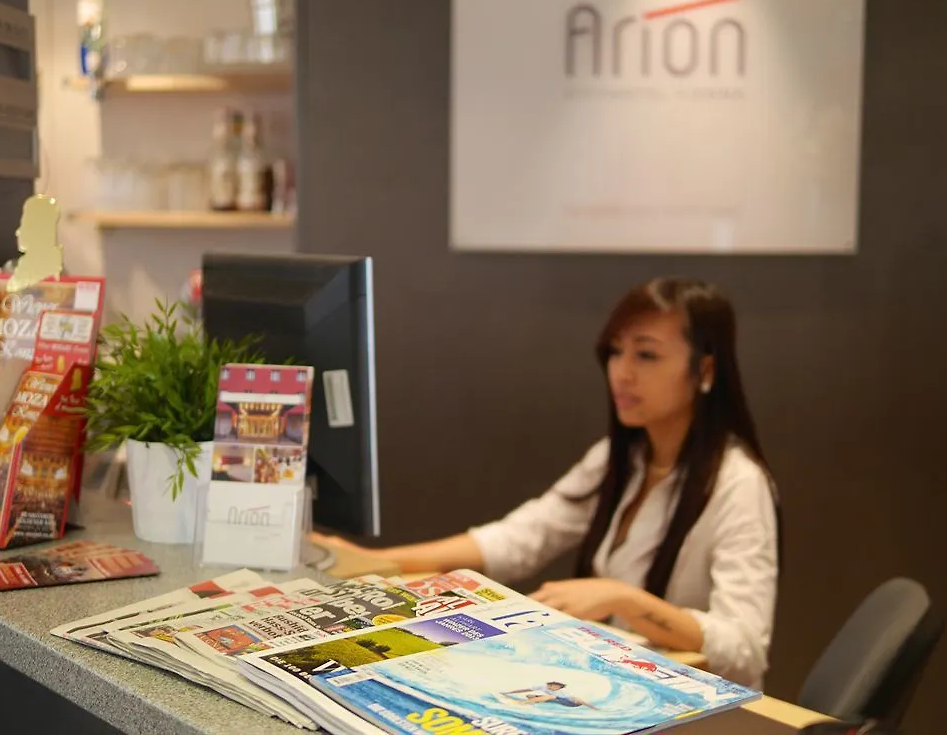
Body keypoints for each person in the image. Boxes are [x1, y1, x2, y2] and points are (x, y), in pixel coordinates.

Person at [319, 277, 780, 688]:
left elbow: (744, 647)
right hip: (619, 680)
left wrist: (624, 598)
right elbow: (520, 538)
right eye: (615, 351)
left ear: (705, 371)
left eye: (646, 354)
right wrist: (376, 561)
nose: (622, 372)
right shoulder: (620, 458)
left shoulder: (739, 484)